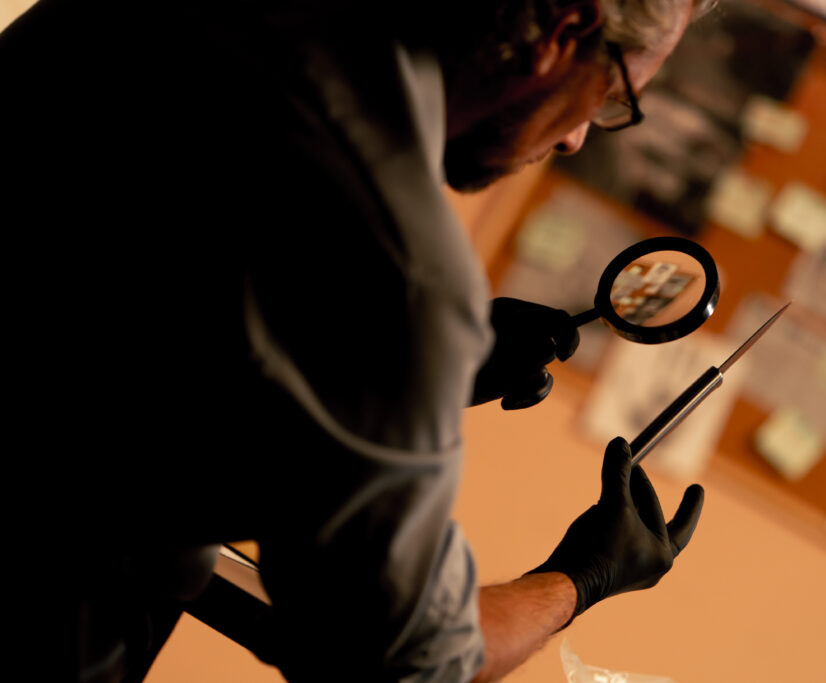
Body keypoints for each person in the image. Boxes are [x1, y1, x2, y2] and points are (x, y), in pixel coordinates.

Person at [1, 1, 713, 682]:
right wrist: (582, 576)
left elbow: (134, 375)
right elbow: (396, 658)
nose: (576, 137)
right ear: (567, 28)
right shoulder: (398, 270)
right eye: (614, 95)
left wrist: (354, 368)